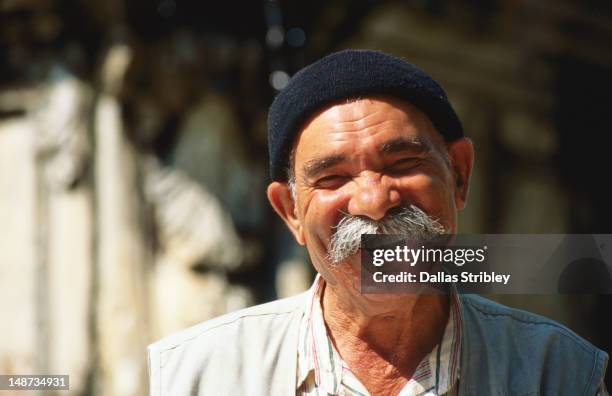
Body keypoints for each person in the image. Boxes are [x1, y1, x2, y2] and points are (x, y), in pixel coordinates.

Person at [147, 50, 608, 395]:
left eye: (404, 163)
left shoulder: (560, 372)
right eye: (333, 178)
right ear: (291, 212)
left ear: (460, 175)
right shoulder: (194, 375)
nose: (372, 201)